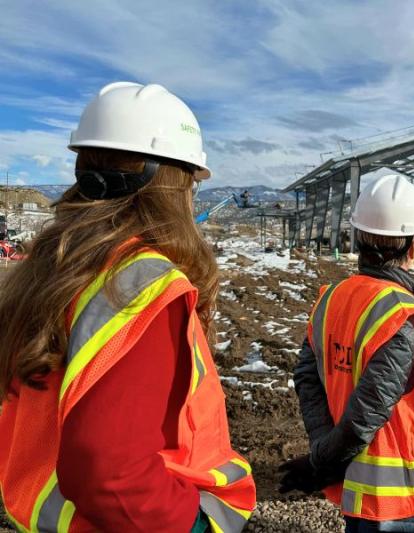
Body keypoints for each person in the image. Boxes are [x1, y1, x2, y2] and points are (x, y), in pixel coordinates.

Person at [0, 82, 256, 532]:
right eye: (191, 183)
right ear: (169, 182)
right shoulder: (143, 285)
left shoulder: (54, 269)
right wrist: (190, 523)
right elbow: (108, 471)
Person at [280, 175, 414, 532]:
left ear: (357, 239)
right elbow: (365, 416)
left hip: (358, 487)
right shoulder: (401, 315)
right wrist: (320, 463)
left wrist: (322, 448)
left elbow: (307, 378)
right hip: (400, 496)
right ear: (413, 245)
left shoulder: (331, 299)